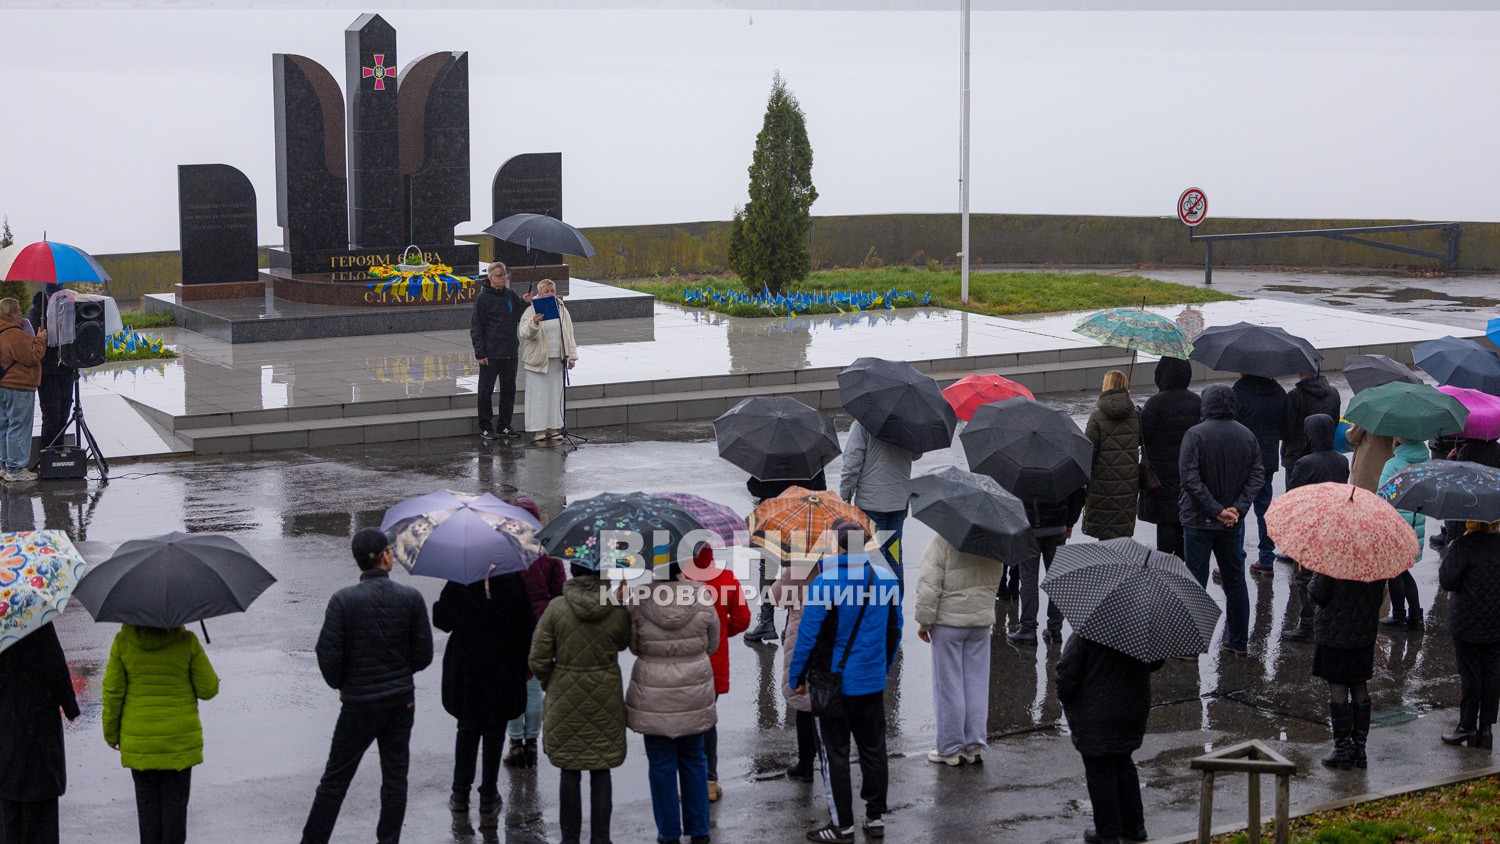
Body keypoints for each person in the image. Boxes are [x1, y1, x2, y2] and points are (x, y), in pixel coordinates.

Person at [301, 529, 434, 844]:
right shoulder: (411, 598)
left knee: (335, 780)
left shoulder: (343, 601)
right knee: (395, 778)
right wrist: (401, 673)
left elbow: (328, 654)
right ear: (385, 556)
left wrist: (343, 683)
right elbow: (424, 654)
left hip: (358, 703)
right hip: (400, 701)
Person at [789, 521, 902, 843]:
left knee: (834, 754)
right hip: (870, 681)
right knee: (873, 749)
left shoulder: (825, 583)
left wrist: (797, 677)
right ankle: (875, 816)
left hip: (832, 685)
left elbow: (808, 637)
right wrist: (883, 667)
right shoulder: (884, 578)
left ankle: (842, 825)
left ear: (837, 546)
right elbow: (893, 631)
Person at [528, 562, 632, 844]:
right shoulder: (614, 607)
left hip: (564, 695)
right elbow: (624, 643)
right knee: (601, 769)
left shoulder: (556, 608)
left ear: (572, 571)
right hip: (605, 695)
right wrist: (623, 603)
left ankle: (569, 839)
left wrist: (553, 681)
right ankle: (601, 838)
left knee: (569, 770)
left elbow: (537, 659)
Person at [626, 561, 720, 844]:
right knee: (694, 760)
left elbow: (633, 645)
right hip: (694, 691)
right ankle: (700, 830)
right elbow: (712, 644)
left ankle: (668, 833)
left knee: (661, 765)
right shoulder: (702, 594)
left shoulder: (639, 598)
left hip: (653, 693)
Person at [102, 623, 220, 844]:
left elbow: (112, 692)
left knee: (148, 815)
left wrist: (111, 733)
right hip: (178, 745)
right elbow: (208, 689)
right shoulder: (187, 642)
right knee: (175, 813)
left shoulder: (123, 643)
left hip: (140, 747)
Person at [433, 570, 536, 819]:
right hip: (503, 665)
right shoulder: (512, 580)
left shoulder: (461, 577)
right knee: (494, 729)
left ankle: (460, 794)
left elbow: (442, 620)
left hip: (467, 668)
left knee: (466, 728)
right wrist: (526, 665)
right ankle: (488, 794)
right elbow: (528, 625)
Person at [1179, 384, 1265, 657]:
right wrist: (1236, 509)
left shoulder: (1195, 435)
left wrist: (1215, 510)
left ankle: (1191, 646)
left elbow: (1189, 478)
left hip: (1198, 522)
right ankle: (1238, 641)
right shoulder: (1247, 435)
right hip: (1232, 524)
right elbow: (1257, 476)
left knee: (1195, 581)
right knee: (1235, 581)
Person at [1055, 633, 1164, 844]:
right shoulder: (1141, 629)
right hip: (1133, 709)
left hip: (1097, 714)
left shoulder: (1087, 633)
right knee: (1123, 762)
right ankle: (1135, 826)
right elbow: (1157, 661)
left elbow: (1067, 676)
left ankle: (1108, 832)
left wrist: (1068, 698)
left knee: (1099, 769)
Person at [915, 534, 1005, 765]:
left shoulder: (941, 543)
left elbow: (928, 586)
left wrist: (925, 622)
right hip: (980, 622)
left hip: (948, 624)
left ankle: (950, 748)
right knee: (976, 683)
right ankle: (974, 745)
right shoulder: (994, 543)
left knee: (949, 686)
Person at [0, 623, 79, 844]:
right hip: (39, 725)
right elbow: (55, 664)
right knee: (41, 815)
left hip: (5, 726)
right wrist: (69, 706)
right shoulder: (36, 617)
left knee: (8, 813)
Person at [506, 496, 567, 769]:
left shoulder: (502, 552)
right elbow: (560, 595)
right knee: (532, 687)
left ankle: (515, 744)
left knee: (512, 686)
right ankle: (532, 742)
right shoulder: (550, 554)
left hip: (511, 627)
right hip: (541, 626)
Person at [1281, 415, 1350, 644]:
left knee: (1304, 577)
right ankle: (1327, 619)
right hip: (1333, 525)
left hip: (1311, 528)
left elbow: (1293, 494)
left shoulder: (1305, 463)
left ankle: (1307, 625)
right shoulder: (1341, 461)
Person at [688, 544, 750, 802]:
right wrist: (724, 632)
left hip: (682, 665)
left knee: (686, 725)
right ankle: (710, 780)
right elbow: (742, 618)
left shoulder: (679, 581)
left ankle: (690, 780)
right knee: (707, 722)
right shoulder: (726, 579)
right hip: (714, 663)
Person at [1308, 571, 1385, 769]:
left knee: (1338, 685)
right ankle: (1359, 751)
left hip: (1335, 631)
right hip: (1363, 633)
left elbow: (1318, 593)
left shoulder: (1335, 557)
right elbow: (1378, 598)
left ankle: (1341, 751)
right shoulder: (1376, 560)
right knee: (1359, 683)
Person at [743, 472, 827, 644]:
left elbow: (754, 487)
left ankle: (766, 622)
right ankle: (790, 623)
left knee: (768, 568)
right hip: (802, 517)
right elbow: (821, 489)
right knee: (798, 570)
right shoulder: (810, 456)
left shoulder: (769, 457)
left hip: (772, 516)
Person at [1438, 521, 1500, 750]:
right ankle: (1486, 729)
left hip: (1467, 621)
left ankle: (1466, 725)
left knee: (1471, 675)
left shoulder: (1463, 545)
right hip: (1495, 621)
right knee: (1492, 674)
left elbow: (1447, 580)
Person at [840, 421, 916, 596]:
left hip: (871, 505)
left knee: (874, 557)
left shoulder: (862, 425)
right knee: (894, 554)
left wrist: (845, 495)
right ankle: (895, 608)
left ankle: (879, 608)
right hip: (898, 502)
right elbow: (916, 454)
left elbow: (852, 464)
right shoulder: (907, 422)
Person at [1137, 357, 1201, 558]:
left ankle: (1165, 566)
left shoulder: (1155, 403)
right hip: (1189, 471)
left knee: (1165, 521)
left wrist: (1138, 418)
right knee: (1185, 520)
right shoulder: (1197, 401)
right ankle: (1183, 565)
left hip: (1161, 475)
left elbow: (1142, 438)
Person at [1008, 486, 1086, 645]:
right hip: (1057, 526)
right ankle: (1055, 629)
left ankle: (1028, 629)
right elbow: (1079, 492)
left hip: (1027, 527)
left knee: (1029, 579)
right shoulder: (1063, 464)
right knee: (1057, 579)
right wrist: (1069, 521)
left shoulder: (1020, 466)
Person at [1232, 372, 1288, 577]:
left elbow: (1231, 425)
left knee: (1239, 509)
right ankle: (1266, 558)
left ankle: (1236, 556)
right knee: (1265, 510)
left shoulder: (1238, 392)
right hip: (1267, 461)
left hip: (1243, 461)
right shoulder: (1278, 391)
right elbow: (1285, 427)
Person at [471, 262, 530, 440]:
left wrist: (524, 303)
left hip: (510, 351)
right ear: (490, 277)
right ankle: (486, 426)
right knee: (486, 391)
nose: (503, 278)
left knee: (508, 390)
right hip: (490, 353)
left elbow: (518, 316)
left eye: (504, 275)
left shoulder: (510, 295)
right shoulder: (482, 299)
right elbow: (476, 327)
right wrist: (480, 353)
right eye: (499, 275)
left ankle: (504, 425)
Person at [518, 279, 579, 444]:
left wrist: (571, 356)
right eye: (547, 291)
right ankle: (539, 430)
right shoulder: (531, 310)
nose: (550, 293)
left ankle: (553, 427)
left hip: (557, 359)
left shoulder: (561, 309)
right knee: (539, 397)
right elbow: (524, 333)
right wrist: (534, 323)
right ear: (540, 293)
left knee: (554, 395)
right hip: (538, 360)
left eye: (552, 290)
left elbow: (569, 333)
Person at [1083, 370, 1141, 541]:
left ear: (1107, 386)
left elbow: (1088, 453)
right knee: (1123, 536)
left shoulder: (1097, 417)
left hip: (1101, 486)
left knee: (1105, 537)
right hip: (1128, 485)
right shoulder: (1136, 416)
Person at [1378, 438, 1428, 632]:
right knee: (1402, 570)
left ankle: (1402, 616)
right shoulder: (1426, 461)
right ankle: (1414, 616)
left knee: (1396, 571)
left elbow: (1382, 498)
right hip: (1416, 523)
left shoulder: (1394, 465)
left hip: (1396, 526)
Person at [0, 298, 46, 483]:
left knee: (5, 426)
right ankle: (16, 468)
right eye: (18, 311)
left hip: (3, 385)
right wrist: (40, 340)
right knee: (19, 426)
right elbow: (31, 356)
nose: (21, 314)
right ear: (11, 313)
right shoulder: (13, 333)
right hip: (19, 386)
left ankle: (4, 465)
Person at [27, 284, 72, 455]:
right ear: (45, 294)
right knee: (51, 414)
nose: (53, 299)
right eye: (50, 295)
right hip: (47, 370)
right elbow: (32, 338)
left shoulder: (69, 308)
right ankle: (46, 454)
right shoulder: (36, 311)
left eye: (58, 295)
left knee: (64, 412)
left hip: (66, 368)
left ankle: (58, 451)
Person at [1281, 372, 1341, 476]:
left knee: (1296, 491)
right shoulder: (1333, 392)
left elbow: (1285, 430)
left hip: (1296, 455)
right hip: (1325, 455)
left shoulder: (1295, 396)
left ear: (1300, 373)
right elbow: (1334, 423)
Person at [1345, 423, 1396, 493]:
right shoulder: (1398, 416)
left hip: (1365, 465)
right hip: (1386, 465)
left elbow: (1353, 437)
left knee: (1361, 498)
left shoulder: (1370, 414)